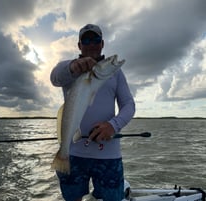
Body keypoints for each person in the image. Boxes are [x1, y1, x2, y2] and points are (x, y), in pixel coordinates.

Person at [50, 24, 135, 201]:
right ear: (79, 45)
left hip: (109, 156)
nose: (91, 44)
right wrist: (73, 66)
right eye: (86, 40)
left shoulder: (115, 73)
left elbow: (128, 104)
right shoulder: (69, 72)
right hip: (72, 155)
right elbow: (54, 77)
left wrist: (113, 126)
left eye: (95, 39)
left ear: (102, 43)